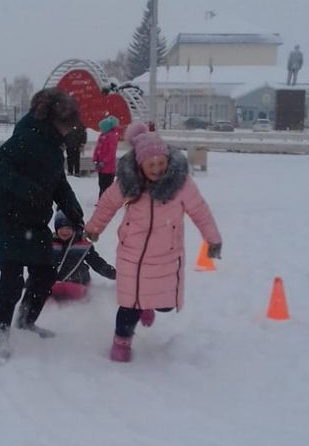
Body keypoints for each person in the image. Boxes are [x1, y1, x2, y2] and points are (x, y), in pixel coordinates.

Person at [85, 121, 222, 363]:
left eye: (161, 163)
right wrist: (95, 227)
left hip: (166, 255)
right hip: (132, 255)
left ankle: (148, 305)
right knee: (129, 305)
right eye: (151, 164)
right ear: (140, 164)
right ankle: (121, 343)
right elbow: (108, 203)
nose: (157, 168)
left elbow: (200, 211)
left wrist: (213, 240)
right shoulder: (129, 184)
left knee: (164, 305)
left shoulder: (180, 185)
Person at [0, 89, 84, 361]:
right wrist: (26, 189)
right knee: (12, 278)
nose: (69, 130)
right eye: (67, 123)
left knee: (44, 273)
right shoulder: (28, 137)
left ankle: (26, 320)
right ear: (53, 119)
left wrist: (73, 210)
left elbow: (58, 183)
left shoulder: (52, 146)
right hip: (5, 217)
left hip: (32, 219)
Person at [51, 211, 115, 299]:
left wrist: (114, 274)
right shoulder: (50, 243)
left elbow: (96, 262)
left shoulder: (83, 245)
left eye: (68, 228)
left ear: (74, 228)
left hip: (76, 281)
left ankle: (71, 290)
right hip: (54, 280)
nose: (64, 232)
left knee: (77, 275)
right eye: (61, 228)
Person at [92, 114, 120, 196]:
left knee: (106, 184)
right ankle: (102, 199)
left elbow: (111, 152)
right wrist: (95, 159)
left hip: (108, 166)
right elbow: (97, 149)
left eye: (102, 128)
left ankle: (105, 200)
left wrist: (104, 161)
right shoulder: (102, 136)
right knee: (101, 183)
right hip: (101, 165)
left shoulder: (111, 137)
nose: (100, 130)